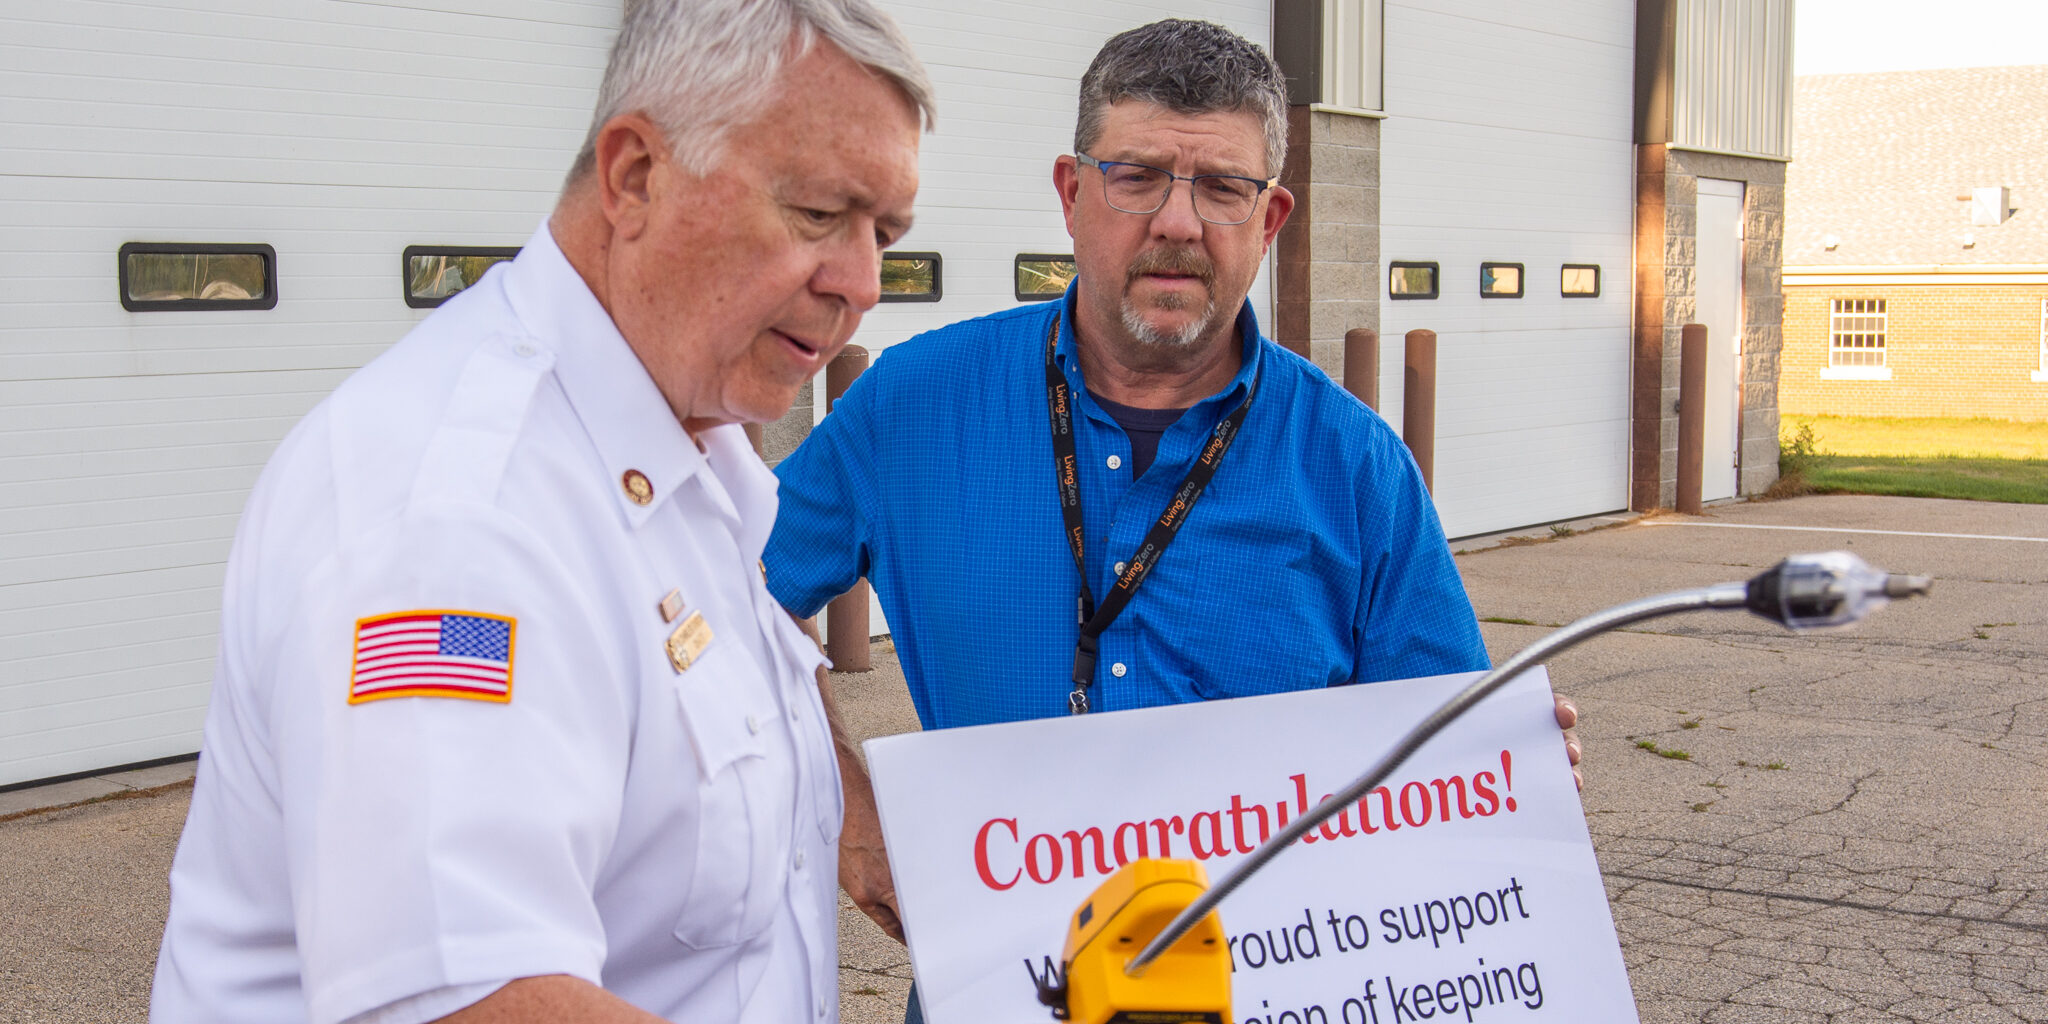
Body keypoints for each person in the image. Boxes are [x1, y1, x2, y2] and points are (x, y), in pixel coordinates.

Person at [150, 2, 931, 1022]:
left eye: (886, 233)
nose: (861, 283)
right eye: (821, 214)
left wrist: (845, 823)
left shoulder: (683, 456)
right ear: (635, 177)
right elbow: (472, 998)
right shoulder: (460, 517)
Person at [764, 19, 1581, 966]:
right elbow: (727, 599)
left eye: (1224, 188)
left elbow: (1438, 759)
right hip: (999, 984)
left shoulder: (1355, 467)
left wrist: (1506, 774)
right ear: (1073, 194)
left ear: (1269, 222)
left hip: (1280, 982)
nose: (1178, 223)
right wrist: (847, 811)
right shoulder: (915, 407)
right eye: (1138, 175)